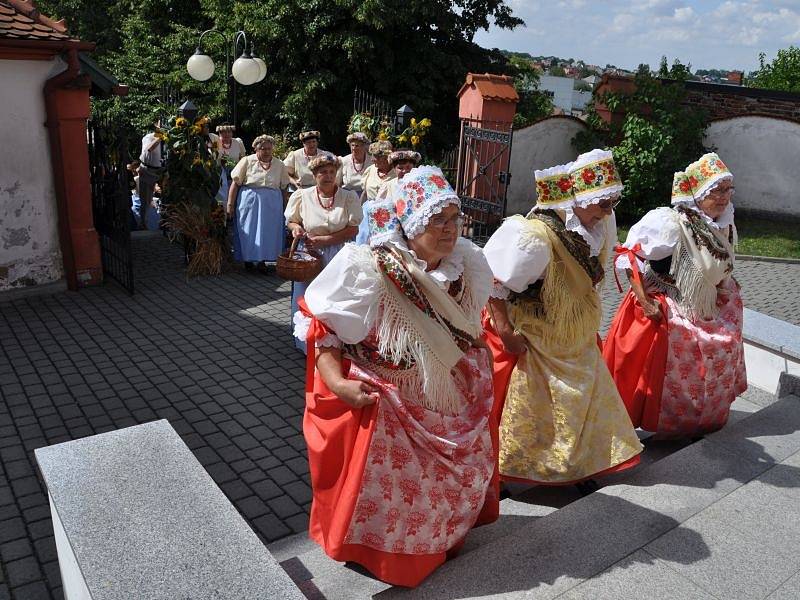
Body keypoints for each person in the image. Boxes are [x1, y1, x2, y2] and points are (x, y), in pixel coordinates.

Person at [294, 166, 497, 587]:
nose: (448, 229)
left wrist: (474, 346)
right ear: (412, 223)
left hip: (447, 392)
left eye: (454, 218)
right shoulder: (370, 268)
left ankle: (442, 539)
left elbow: (463, 326)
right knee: (406, 491)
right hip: (392, 399)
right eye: (436, 220)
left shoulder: (466, 263)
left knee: (456, 477)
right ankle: (398, 557)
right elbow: (324, 331)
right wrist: (338, 383)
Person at [483, 150, 642, 493]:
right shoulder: (535, 237)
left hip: (574, 334)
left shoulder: (600, 223)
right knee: (536, 407)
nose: (608, 213)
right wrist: (505, 332)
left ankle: (579, 465)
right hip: (534, 336)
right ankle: (513, 468)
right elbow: (494, 283)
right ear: (578, 200)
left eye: (612, 204)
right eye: (602, 204)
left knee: (582, 400)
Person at [604, 152, 747, 437]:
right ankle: (672, 418)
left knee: (722, 345)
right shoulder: (669, 223)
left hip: (706, 301)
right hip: (668, 299)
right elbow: (630, 257)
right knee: (686, 347)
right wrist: (645, 302)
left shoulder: (723, 225)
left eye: (727, 190)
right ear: (698, 193)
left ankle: (702, 415)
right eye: (716, 191)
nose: (723, 197)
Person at [285, 154, 361, 353]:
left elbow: (353, 229)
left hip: (340, 253)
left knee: (337, 298)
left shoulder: (348, 197)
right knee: (309, 296)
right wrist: (296, 229)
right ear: (314, 174)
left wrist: (326, 240)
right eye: (322, 173)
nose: (328, 176)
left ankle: (337, 343)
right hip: (310, 254)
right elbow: (292, 220)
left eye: (331, 172)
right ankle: (308, 343)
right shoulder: (302, 195)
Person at [227, 135, 291, 272]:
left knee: (269, 232)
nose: (266, 151)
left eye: (269, 148)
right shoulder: (247, 161)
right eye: (263, 148)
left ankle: (263, 260)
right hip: (250, 202)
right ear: (256, 148)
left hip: (272, 203)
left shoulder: (279, 164)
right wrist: (230, 204)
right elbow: (235, 183)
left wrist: (287, 207)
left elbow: (284, 187)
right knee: (249, 230)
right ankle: (248, 259)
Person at [355, 141, 395, 244]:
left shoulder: (396, 172)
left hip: (389, 213)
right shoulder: (370, 170)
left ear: (386, 158)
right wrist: (357, 212)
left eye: (375, 157)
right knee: (363, 242)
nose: (372, 159)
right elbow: (364, 193)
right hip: (368, 211)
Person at [138, 122, 165, 230]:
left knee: (165, 198)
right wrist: (159, 139)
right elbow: (149, 149)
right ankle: (143, 224)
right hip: (147, 169)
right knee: (145, 201)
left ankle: (164, 224)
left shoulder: (168, 139)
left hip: (161, 170)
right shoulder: (148, 137)